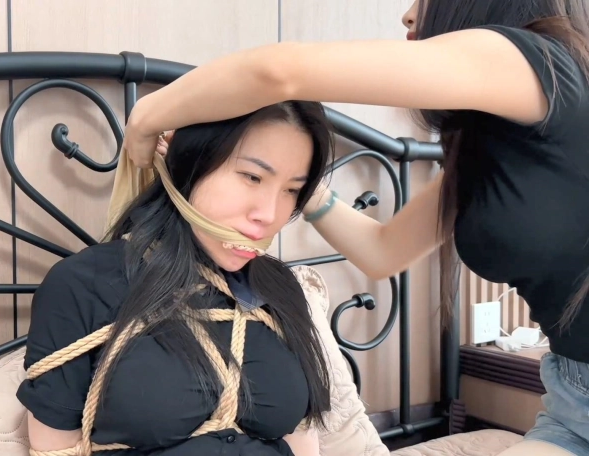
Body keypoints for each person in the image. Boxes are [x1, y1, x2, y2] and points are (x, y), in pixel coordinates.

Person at [120, 1, 589, 455]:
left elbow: (278, 72)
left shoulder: (538, 63)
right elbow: (382, 251)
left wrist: (145, 118)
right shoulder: (486, 147)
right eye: (251, 177)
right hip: (570, 402)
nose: (408, 14)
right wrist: (297, 186)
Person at [17, 101, 339, 455]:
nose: (270, 214)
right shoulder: (83, 284)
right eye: (252, 177)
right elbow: (56, 449)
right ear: (190, 162)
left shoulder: (279, 286)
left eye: (291, 190)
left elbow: (301, 438)